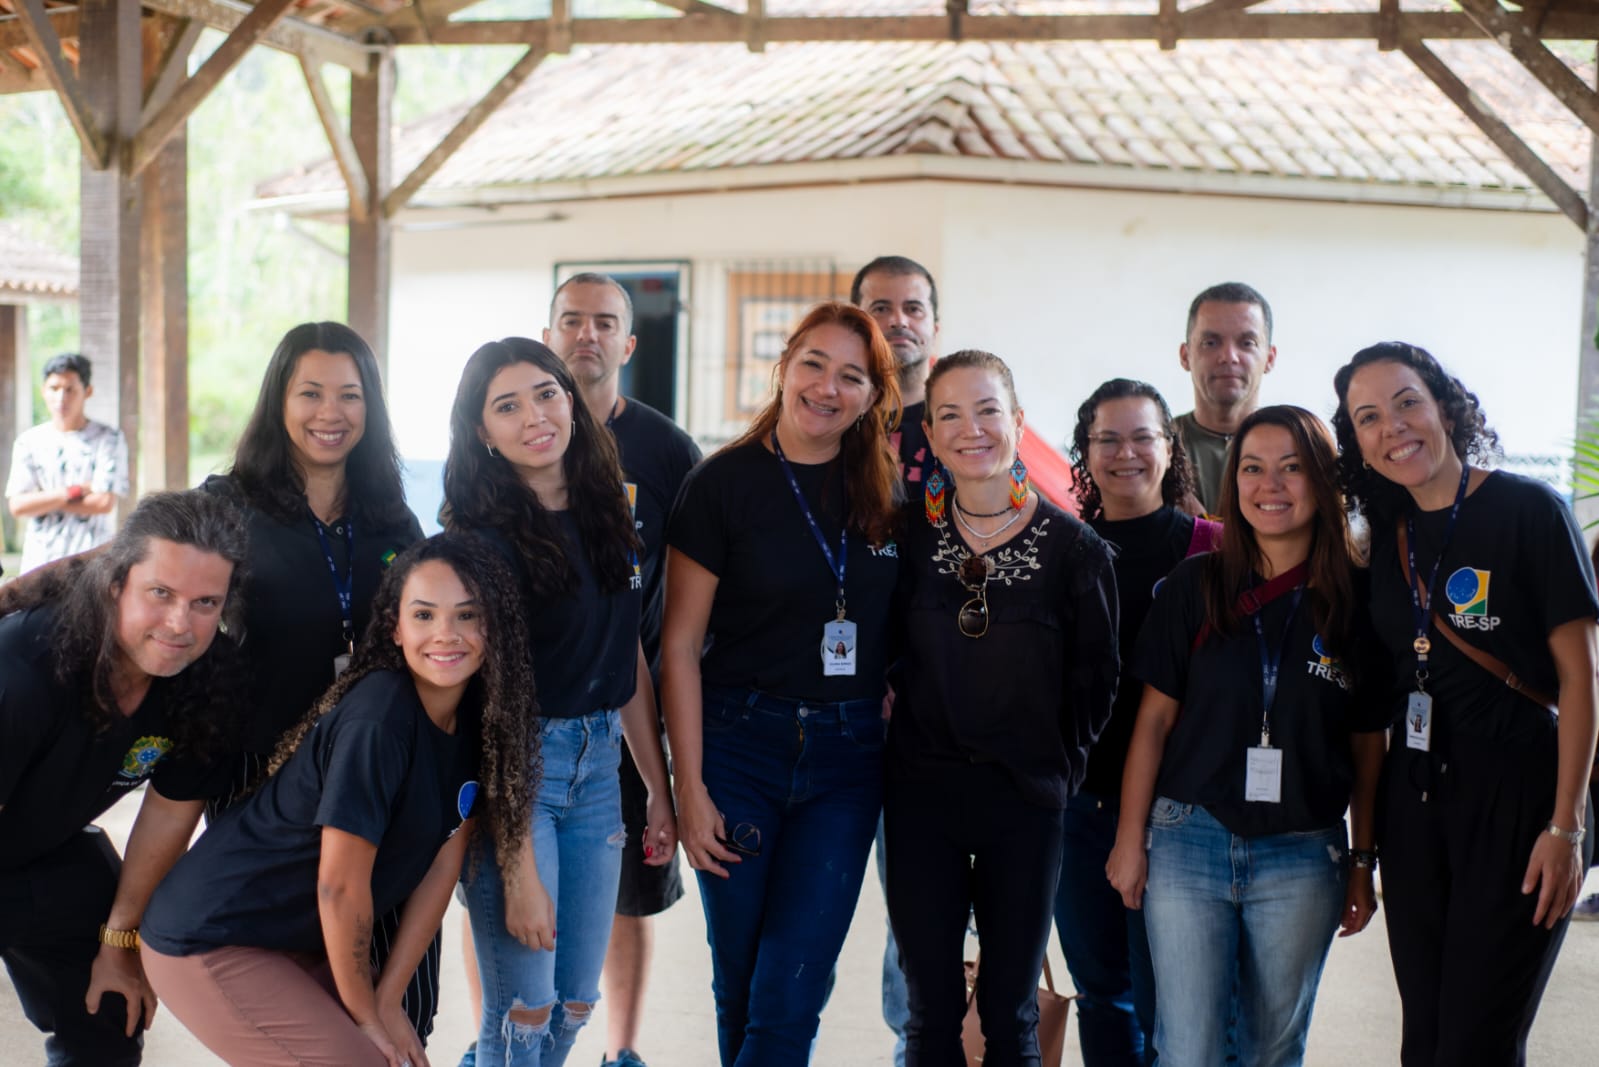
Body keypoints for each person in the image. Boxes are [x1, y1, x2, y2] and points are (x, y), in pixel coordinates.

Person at [140, 535, 534, 1067]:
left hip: (286, 941)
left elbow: (441, 867)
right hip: (210, 938)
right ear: (396, 628)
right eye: (424, 615)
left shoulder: (475, 723)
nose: (446, 634)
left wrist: (389, 999)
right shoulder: (379, 721)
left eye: (468, 616)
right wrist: (367, 1017)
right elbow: (339, 887)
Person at [1332, 342, 1599, 1066]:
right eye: (1368, 417)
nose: (1393, 426)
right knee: (1424, 1039)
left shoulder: (1526, 510)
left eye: (1406, 401)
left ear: (1444, 405)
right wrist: (1362, 850)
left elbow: (1581, 679)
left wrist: (1565, 828)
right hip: (1414, 809)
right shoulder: (1383, 539)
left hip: (1519, 804)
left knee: (1475, 1041)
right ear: (1355, 439)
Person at [1107, 405, 1387, 1067]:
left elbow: (1367, 743)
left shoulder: (1354, 598)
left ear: (1322, 481)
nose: (1272, 485)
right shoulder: (1193, 585)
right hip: (1186, 837)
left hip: (1302, 852)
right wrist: (1128, 838)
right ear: (1232, 483)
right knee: (1186, 1047)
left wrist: (1361, 859)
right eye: (1253, 468)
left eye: (1292, 468)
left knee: (1271, 1048)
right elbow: (1151, 721)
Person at [662, 301, 902, 1067]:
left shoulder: (887, 496)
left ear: (872, 396)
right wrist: (687, 784)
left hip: (846, 759)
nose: (827, 388)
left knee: (790, 990)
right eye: (814, 364)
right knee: (741, 985)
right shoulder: (721, 483)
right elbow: (677, 643)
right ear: (783, 365)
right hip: (738, 747)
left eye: (851, 376)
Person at [444, 337, 677, 1067]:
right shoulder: (479, 546)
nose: (534, 416)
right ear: (482, 431)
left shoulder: (609, 513)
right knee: (523, 1013)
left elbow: (627, 658)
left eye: (545, 394)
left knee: (574, 1003)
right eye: (506, 406)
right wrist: (514, 863)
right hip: (521, 776)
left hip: (600, 773)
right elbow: (485, 708)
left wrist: (657, 789)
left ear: (570, 402)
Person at [201, 322, 435, 1033]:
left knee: (395, 1006)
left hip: (374, 782)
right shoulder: (226, 504)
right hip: (263, 783)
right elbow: (143, 578)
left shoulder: (393, 513)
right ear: (279, 400)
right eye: (310, 392)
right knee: (292, 1003)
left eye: (349, 395)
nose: (329, 413)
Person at [885, 350, 1118, 1065]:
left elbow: (1097, 679)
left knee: (1010, 1010)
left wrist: (1054, 769)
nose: (970, 428)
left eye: (987, 409)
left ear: (1016, 421)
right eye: (948, 413)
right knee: (929, 1012)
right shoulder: (909, 540)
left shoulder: (1073, 549)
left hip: (1025, 800)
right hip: (923, 797)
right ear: (929, 430)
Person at [0, 489, 248, 1066]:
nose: (179, 623)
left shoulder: (210, 679)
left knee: (111, 1012)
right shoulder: (22, 669)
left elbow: (168, 810)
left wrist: (119, 940)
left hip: (44, 853)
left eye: (206, 602)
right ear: (116, 583)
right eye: (160, 594)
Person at [544, 272, 702, 1067]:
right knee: (507, 893)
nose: (587, 335)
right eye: (571, 320)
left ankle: (625, 1049)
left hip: (629, 705)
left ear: (628, 343)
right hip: (530, 713)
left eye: (604, 322)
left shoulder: (669, 451)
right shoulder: (512, 436)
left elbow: (689, 601)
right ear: (548, 337)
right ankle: (502, 1039)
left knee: (623, 897)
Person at [1056, 379, 1214, 1066]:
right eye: (1107, 438)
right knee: (1102, 994)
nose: (1125, 452)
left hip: (1180, 814)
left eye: (1141, 435)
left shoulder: (1214, 551)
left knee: (1173, 1001)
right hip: (1077, 808)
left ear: (1169, 446)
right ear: (1084, 452)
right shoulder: (1058, 552)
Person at [852, 253, 940, 1066]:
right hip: (850, 710)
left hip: (952, 712)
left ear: (934, 326)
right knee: (902, 902)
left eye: (912, 306)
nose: (897, 319)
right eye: (880, 305)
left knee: (944, 907)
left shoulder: (969, 421)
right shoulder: (831, 427)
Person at [6, 352, 130, 573]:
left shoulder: (108, 439)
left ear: (87, 391)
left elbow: (103, 502)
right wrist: (74, 491)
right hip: (39, 562)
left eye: (70, 389)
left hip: (92, 563)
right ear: (43, 390)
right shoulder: (29, 442)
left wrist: (42, 499)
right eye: (54, 388)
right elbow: (17, 505)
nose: (61, 397)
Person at [1173, 283, 1276, 513]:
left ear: (1269, 358)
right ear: (1185, 356)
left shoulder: (1299, 448)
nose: (1229, 357)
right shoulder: (1153, 450)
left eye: (1247, 343)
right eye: (1211, 343)